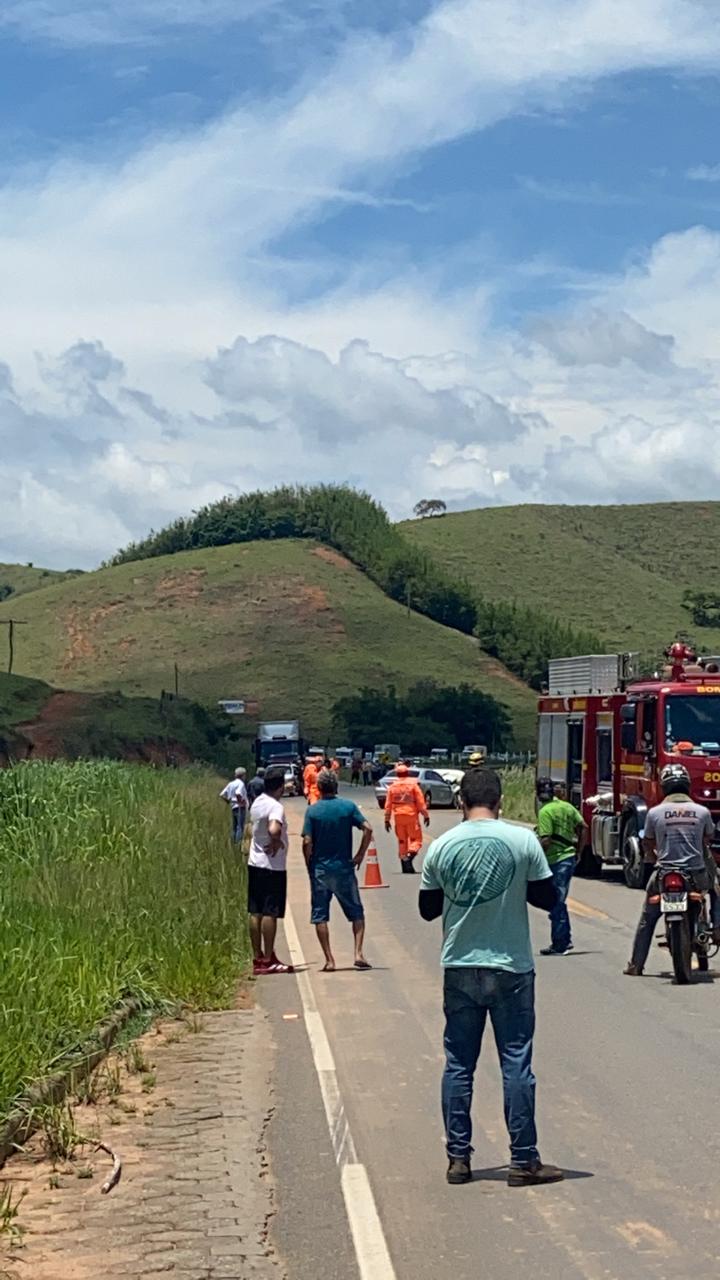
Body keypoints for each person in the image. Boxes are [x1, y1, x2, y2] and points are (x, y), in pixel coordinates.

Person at [419, 768, 563, 1188]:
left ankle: (458, 1159)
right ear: (499, 802)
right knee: (515, 1063)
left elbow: (427, 910)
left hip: (460, 965)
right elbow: (548, 898)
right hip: (511, 967)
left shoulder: (442, 845)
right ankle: (523, 1160)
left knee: (459, 1065)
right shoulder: (523, 841)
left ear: (461, 802)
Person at [625, 763, 720, 976]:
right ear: (687, 785)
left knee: (648, 917)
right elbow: (707, 838)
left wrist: (654, 858)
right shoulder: (702, 811)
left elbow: (648, 842)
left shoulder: (654, 813)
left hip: (664, 873)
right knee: (716, 888)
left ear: (664, 787)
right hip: (696, 874)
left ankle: (636, 965)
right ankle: (717, 927)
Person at [302, 769, 374, 971]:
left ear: (319, 788)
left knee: (320, 915)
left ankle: (329, 960)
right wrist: (360, 855)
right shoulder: (348, 807)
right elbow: (368, 828)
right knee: (356, 912)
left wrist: (309, 864)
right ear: (336, 787)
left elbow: (307, 841)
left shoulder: (313, 811)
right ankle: (358, 953)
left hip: (321, 869)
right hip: (344, 868)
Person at [248, 765, 294, 975]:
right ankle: (268, 959)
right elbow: (274, 828)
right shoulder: (276, 807)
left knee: (255, 911)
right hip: (271, 865)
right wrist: (277, 841)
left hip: (255, 862)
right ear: (281, 787)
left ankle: (258, 956)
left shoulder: (258, 802)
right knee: (270, 911)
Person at [536, 782, 585, 956]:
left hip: (555, 860)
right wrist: (579, 851)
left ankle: (561, 942)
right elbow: (583, 827)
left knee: (556, 901)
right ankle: (562, 940)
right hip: (568, 859)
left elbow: (546, 840)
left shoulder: (545, 811)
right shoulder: (567, 807)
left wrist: (537, 859)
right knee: (557, 900)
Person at [384, 763, 429, 873]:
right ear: (407, 773)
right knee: (416, 840)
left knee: (402, 841)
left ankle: (405, 865)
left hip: (398, 817)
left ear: (397, 774)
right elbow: (420, 802)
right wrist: (426, 815)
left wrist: (387, 819)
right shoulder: (413, 785)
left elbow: (388, 805)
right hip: (411, 815)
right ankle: (409, 856)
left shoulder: (392, 787)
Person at [219, 767, 248, 843]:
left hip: (233, 806)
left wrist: (228, 801)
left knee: (234, 827)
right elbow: (238, 793)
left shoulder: (231, 783)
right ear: (243, 775)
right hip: (240, 807)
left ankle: (233, 842)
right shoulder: (241, 783)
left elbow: (222, 794)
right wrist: (240, 802)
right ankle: (238, 843)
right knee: (240, 827)